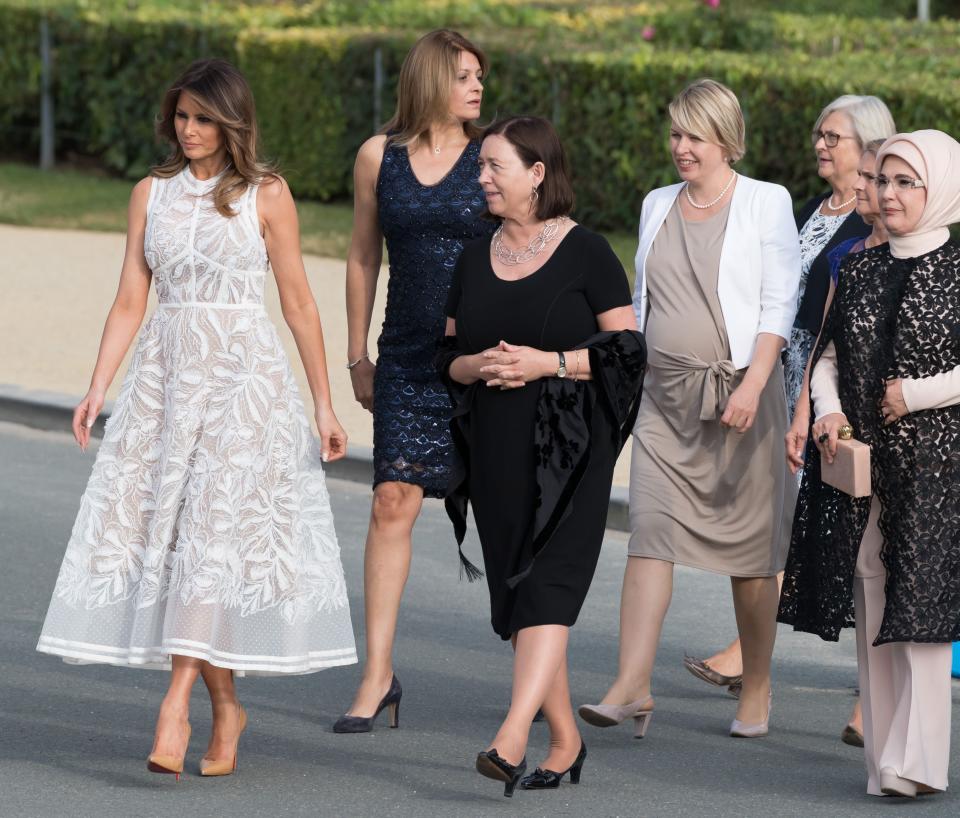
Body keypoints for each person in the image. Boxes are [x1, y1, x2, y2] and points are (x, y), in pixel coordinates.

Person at [36, 59, 357, 778]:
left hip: (244, 384)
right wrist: (96, 388)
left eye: (204, 119)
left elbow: (300, 302)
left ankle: (175, 705)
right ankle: (228, 706)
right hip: (167, 379)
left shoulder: (267, 195)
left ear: (232, 122)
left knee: (211, 539)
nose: (189, 130)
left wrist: (324, 403)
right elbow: (130, 298)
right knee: (182, 545)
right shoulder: (149, 194)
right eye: (181, 117)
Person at [579, 79, 800, 740]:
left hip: (740, 396)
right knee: (649, 535)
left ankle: (756, 684)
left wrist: (755, 384)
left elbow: (778, 304)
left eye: (695, 137)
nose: (681, 148)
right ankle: (631, 684)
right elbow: (646, 304)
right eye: (676, 134)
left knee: (751, 553)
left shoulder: (765, 202)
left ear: (726, 140)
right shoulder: (656, 204)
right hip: (663, 402)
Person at [439, 116, 644, 796]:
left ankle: (512, 734)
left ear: (538, 173)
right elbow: (448, 358)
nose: (483, 177)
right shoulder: (473, 257)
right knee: (524, 598)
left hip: (572, 449)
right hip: (495, 447)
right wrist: (477, 367)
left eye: (496, 165)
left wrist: (546, 362)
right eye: (482, 166)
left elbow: (628, 353)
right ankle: (565, 740)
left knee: (550, 587)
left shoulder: (588, 253)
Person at [687, 95, 896, 696]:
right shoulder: (813, 209)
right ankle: (754, 660)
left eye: (835, 136)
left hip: (832, 379)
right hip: (790, 370)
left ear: (868, 144)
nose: (821, 144)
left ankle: (759, 660)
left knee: (832, 522)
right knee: (787, 515)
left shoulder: (874, 215)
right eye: (819, 132)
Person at [779, 129, 960, 798]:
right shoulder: (858, 266)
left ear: (938, 186)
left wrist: (915, 394)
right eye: (882, 180)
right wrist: (826, 410)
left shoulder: (958, 269)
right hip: (861, 467)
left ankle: (921, 763)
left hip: (937, 470)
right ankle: (885, 763)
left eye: (905, 181)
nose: (887, 193)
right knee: (873, 597)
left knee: (924, 610)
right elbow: (826, 356)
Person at [337, 29, 495, 732]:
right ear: (431, 79)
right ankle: (377, 675)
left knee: (505, 513)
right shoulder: (379, 157)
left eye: (480, 78)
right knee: (391, 501)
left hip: (486, 357)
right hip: (403, 354)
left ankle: (538, 681)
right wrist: (356, 355)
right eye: (464, 76)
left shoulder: (494, 156)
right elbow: (363, 258)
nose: (477, 88)